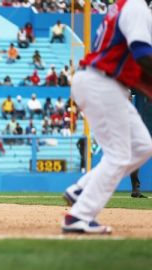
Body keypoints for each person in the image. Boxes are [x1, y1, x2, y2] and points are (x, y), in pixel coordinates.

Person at [62, 0, 152, 234]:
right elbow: (142, 54)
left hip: (103, 81)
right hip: (103, 83)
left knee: (142, 146)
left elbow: (131, 63)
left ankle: (81, 189)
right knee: (120, 155)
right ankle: (79, 216)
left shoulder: (122, 6)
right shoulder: (136, 7)